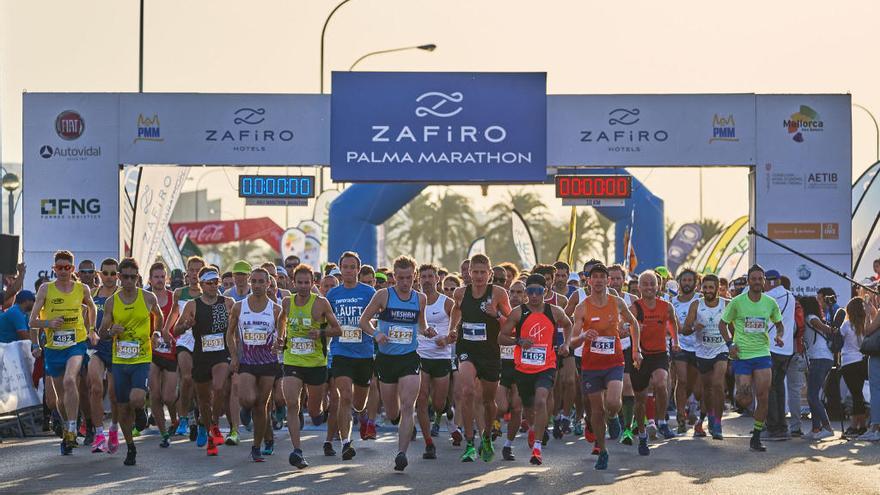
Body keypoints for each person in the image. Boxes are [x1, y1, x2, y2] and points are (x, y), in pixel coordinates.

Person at [359, 256, 436, 471]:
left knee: (408, 405)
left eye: (409, 278)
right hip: (386, 360)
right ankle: (396, 420)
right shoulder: (383, 295)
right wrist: (376, 334)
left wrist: (427, 331)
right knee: (393, 411)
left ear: (415, 277)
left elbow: (421, 325)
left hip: (409, 357)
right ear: (394, 277)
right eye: (401, 278)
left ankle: (401, 454)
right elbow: (363, 321)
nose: (405, 282)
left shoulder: (420, 298)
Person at [571, 264, 639, 470]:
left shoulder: (617, 302)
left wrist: (636, 351)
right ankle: (602, 450)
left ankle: (614, 416)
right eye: (595, 277)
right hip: (591, 365)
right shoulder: (581, 307)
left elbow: (634, 324)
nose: (599, 280)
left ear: (608, 281)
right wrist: (583, 336)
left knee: (612, 403)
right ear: (588, 281)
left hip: (614, 362)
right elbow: (573, 340)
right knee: (596, 411)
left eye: (602, 277)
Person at [500, 274, 572, 465]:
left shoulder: (554, 312)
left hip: (546, 365)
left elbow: (568, 324)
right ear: (526, 293)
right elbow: (501, 337)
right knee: (527, 408)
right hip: (523, 368)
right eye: (530, 291)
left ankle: (538, 448)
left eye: (538, 292)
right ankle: (525, 433)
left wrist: (566, 344)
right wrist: (518, 341)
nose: (533, 296)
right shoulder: (518, 313)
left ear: (545, 292)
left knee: (541, 400)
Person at [30, 250, 97, 455]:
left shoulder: (81, 288)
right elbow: (32, 321)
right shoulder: (45, 289)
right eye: (59, 268)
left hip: (76, 342)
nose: (63, 271)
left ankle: (71, 429)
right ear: (54, 269)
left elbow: (92, 308)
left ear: (72, 269)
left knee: (70, 380)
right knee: (59, 398)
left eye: (67, 267)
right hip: (53, 347)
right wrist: (49, 323)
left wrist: (92, 330)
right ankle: (68, 425)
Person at [97, 257, 164, 466]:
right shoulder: (111, 302)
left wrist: (157, 333)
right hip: (119, 360)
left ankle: (141, 409)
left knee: (135, 399)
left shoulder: (147, 297)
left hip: (142, 358)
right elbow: (101, 333)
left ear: (138, 278)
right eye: (124, 276)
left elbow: (159, 317)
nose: (128, 281)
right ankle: (131, 447)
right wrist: (110, 331)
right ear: (119, 277)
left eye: (132, 277)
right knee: (122, 407)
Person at [277, 265, 341, 468]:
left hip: (316, 363)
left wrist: (321, 333)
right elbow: (282, 321)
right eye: (300, 282)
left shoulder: (321, 303)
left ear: (313, 283)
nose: (303, 286)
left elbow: (337, 329)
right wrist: (280, 338)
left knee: (315, 414)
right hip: (292, 360)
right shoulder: (287, 302)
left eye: (307, 282)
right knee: (292, 404)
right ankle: (297, 451)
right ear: (293, 283)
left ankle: (319, 409)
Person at [449, 253, 512, 462]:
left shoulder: (499, 294)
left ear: (490, 273)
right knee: (466, 391)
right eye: (475, 272)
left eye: (482, 272)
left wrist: (495, 314)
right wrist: (452, 329)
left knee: (488, 401)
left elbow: (511, 325)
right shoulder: (460, 293)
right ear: (468, 272)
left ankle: (486, 436)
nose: (478, 276)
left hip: (490, 353)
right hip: (467, 349)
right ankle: (469, 443)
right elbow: (456, 311)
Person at [719, 264, 785, 452]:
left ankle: (756, 437)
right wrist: (730, 344)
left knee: (763, 397)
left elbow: (779, 324)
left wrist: (779, 336)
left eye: (760, 279)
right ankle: (743, 402)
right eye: (753, 279)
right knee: (744, 399)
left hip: (763, 354)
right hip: (742, 356)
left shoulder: (770, 302)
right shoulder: (737, 302)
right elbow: (722, 324)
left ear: (764, 281)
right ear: (749, 281)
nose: (757, 282)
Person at [174, 267, 234, 456]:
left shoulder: (228, 302)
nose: (214, 286)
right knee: (204, 400)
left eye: (216, 282)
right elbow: (176, 330)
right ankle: (206, 428)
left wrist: (237, 353)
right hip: (201, 354)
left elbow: (235, 330)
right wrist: (186, 325)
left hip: (221, 353)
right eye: (209, 283)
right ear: (201, 284)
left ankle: (214, 426)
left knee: (218, 388)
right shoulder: (192, 305)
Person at [326, 252, 377, 459]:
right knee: (344, 396)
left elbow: (377, 318)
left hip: (364, 353)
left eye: (352, 267)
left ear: (358, 269)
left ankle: (362, 413)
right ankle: (346, 442)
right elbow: (326, 321)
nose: (348, 271)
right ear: (340, 269)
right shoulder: (333, 295)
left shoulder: (369, 292)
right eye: (345, 267)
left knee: (358, 403)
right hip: (341, 351)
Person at [226, 268, 281, 462]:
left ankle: (257, 446)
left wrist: (280, 343)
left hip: (268, 363)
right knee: (248, 399)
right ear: (250, 283)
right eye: (254, 281)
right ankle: (245, 408)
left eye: (261, 282)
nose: (257, 285)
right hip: (247, 361)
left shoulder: (276, 309)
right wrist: (234, 356)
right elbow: (230, 333)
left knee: (261, 406)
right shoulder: (239, 307)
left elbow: (282, 336)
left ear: (268, 284)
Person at [630, 271, 680, 455]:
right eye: (645, 284)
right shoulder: (635, 307)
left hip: (659, 353)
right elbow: (625, 326)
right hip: (641, 355)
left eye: (652, 283)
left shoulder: (666, 306)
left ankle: (662, 421)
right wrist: (633, 337)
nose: (649, 287)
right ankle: (642, 435)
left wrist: (675, 342)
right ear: (639, 287)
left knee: (661, 383)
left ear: (658, 286)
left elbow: (673, 323)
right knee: (640, 399)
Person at [414, 264, 454, 460]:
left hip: (441, 356)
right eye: (424, 277)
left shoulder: (447, 303)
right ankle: (429, 442)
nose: (427, 280)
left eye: (431, 276)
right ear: (418, 279)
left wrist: (446, 339)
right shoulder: (414, 300)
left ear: (437, 279)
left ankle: (448, 413)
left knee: (438, 404)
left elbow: (457, 331)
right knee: (421, 399)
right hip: (420, 355)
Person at [682, 274, 727, 440]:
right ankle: (709, 415)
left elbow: (735, 326)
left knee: (717, 384)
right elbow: (685, 329)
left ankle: (717, 422)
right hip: (702, 351)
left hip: (721, 350)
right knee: (706, 390)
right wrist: (694, 327)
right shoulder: (696, 305)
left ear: (717, 288)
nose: (708, 291)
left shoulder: (726, 304)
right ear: (701, 288)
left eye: (711, 288)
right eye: (705, 288)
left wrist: (734, 343)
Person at [763, 269, 797, 441]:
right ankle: (781, 427)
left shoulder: (770, 296)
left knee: (769, 388)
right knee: (778, 387)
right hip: (786, 349)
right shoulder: (790, 295)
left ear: (770, 281)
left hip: (772, 347)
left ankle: (774, 428)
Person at [147, 262, 178, 448]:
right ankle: (163, 433)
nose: (159, 280)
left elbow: (181, 323)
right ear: (150, 279)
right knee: (155, 395)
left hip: (171, 352)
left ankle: (174, 419)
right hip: (150, 352)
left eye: (161, 276)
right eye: (155, 277)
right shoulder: (145, 298)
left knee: (168, 396)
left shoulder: (174, 298)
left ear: (166, 278)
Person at [607, 264, 638, 445]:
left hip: (625, 348)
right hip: (604, 349)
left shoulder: (632, 299)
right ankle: (613, 418)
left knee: (627, 385)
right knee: (608, 393)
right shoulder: (597, 299)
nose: (615, 282)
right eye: (611, 278)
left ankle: (627, 427)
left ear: (624, 280)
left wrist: (630, 332)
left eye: (618, 278)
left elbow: (637, 323)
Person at [670, 268, 702, 435]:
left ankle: (691, 407)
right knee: (681, 381)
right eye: (684, 280)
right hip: (680, 345)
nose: (687, 283)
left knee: (694, 387)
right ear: (679, 282)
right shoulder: (672, 302)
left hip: (698, 347)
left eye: (690, 280)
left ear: (696, 283)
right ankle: (680, 417)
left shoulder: (701, 300)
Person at [496, 280, 525, 461]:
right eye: (512, 292)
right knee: (502, 406)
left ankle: (508, 445)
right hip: (500, 365)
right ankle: (494, 423)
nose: (514, 296)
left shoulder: (529, 315)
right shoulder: (499, 315)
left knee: (516, 407)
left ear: (525, 295)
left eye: (519, 292)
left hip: (521, 366)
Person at [801, 295, 836, 440]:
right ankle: (816, 429)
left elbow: (827, 330)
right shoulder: (811, 317)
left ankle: (827, 427)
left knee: (812, 395)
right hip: (819, 358)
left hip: (820, 358)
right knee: (813, 395)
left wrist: (830, 328)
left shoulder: (810, 317)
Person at [840, 297, 869, 438]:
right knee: (858, 394)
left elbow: (837, 340)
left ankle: (855, 426)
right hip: (861, 361)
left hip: (848, 362)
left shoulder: (847, 325)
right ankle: (861, 424)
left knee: (855, 394)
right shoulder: (864, 325)